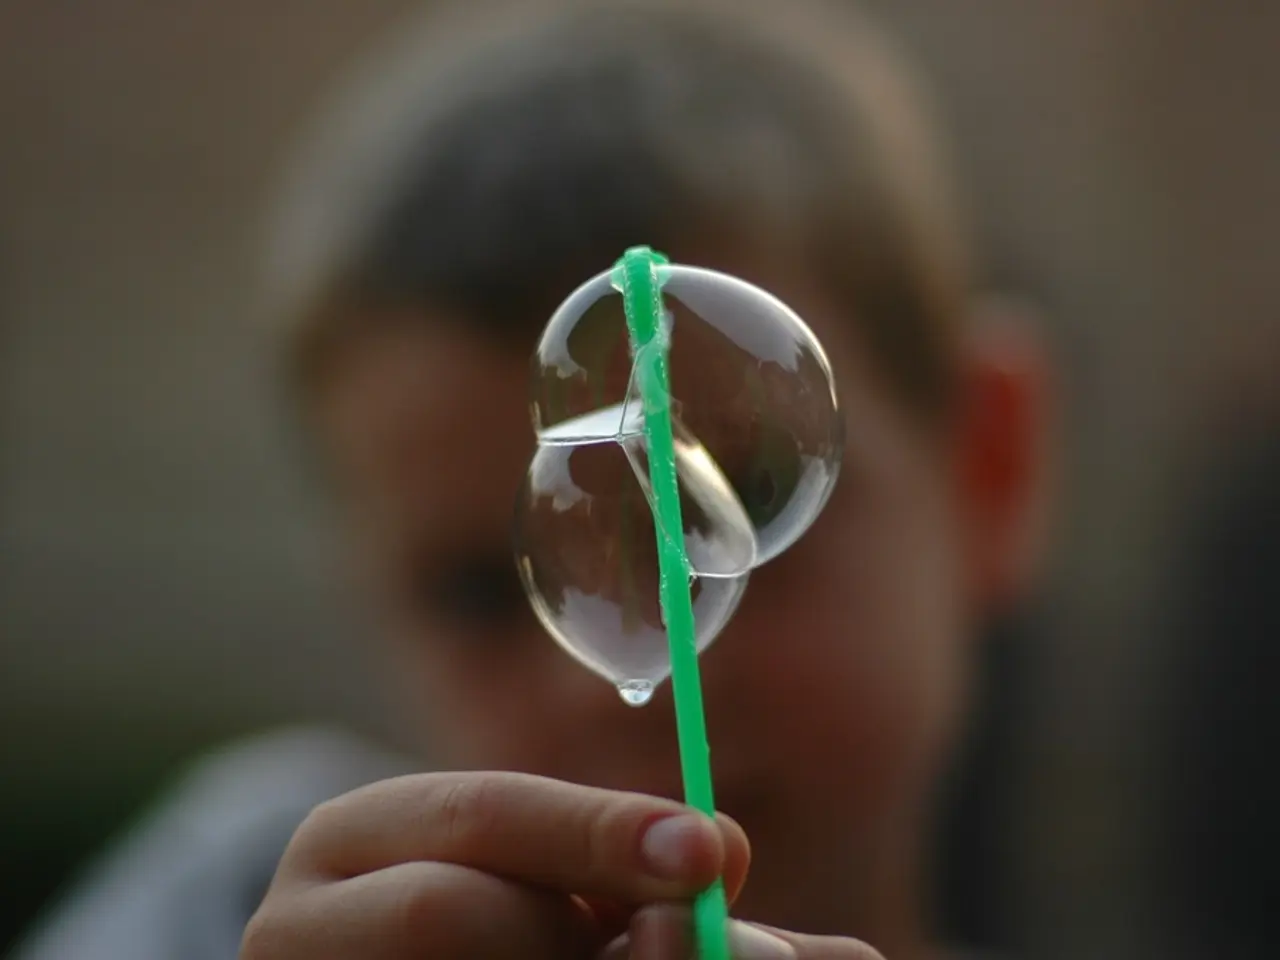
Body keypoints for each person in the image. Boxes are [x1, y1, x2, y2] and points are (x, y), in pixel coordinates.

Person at [12, 1, 1049, 957]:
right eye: (478, 589)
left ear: (988, 468)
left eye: (712, 510)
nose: (608, 681)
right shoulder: (219, 904)